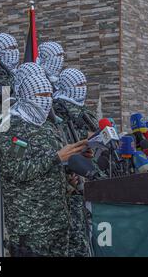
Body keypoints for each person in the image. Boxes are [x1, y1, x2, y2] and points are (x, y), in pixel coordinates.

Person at [0, 64, 87, 257]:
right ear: (27, 96)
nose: (46, 101)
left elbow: (54, 161)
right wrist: (56, 157)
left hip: (57, 218)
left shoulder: (46, 126)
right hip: (30, 223)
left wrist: (69, 167)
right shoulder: (13, 127)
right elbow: (16, 169)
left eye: (48, 95)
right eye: (41, 96)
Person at [53, 68, 98, 257]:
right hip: (70, 181)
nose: (82, 89)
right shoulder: (58, 108)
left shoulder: (83, 110)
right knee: (75, 235)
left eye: (84, 85)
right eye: (78, 85)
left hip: (89, 177)